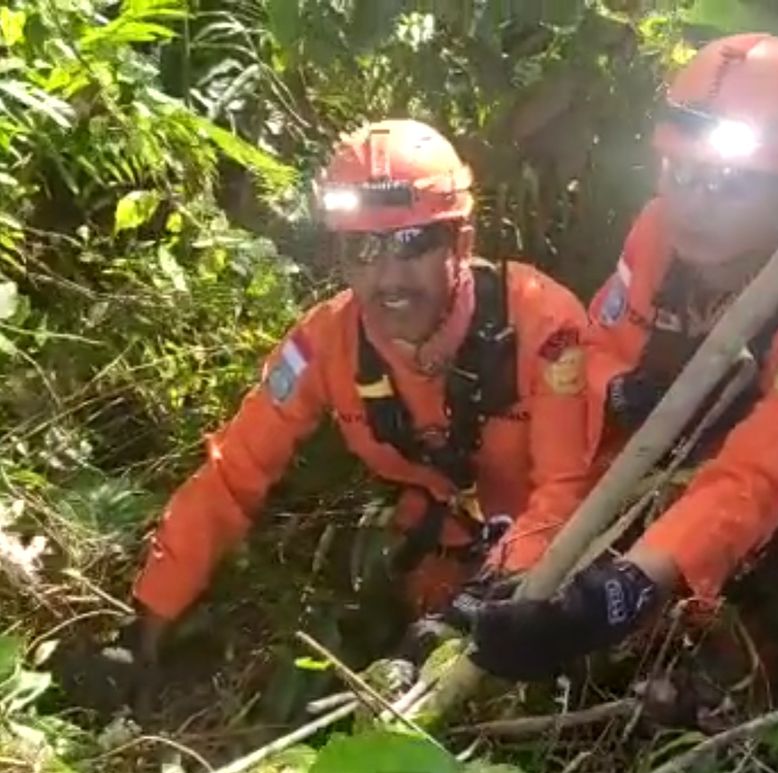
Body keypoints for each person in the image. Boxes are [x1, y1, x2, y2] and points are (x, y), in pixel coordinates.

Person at [117, 119, 593, 696]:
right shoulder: (324, 344)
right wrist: (148, 617)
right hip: (440, 558)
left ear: (462, 243)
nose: (388, 278)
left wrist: (474, 609)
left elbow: (566, 495)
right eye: (362, 250)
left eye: (412, 244)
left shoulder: (545, 327)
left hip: (560, 566)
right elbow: (232, 473)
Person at [463, 33, 778, 681]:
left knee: (702, 667)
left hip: (749, 535)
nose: (694, 202)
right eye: (680, 173)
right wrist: (619, 388)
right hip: (631, 476)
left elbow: (753, 481)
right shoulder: (658, 232)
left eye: (728, 184)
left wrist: (616, 596)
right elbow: (598, 349)